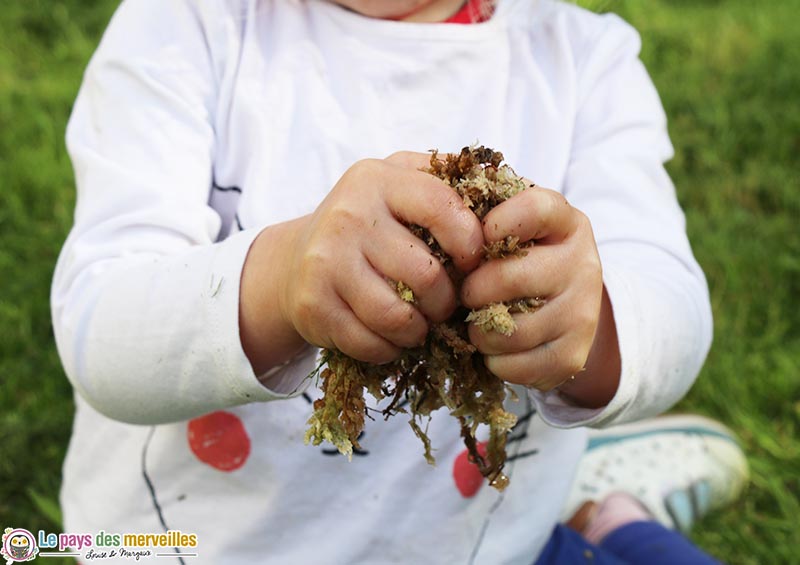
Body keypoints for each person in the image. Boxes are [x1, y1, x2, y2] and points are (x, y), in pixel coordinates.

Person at [51, 0, 745, 562]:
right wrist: (278, 274)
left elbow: (671, 304)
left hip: (492, 543)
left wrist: (591, 325)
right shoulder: (182, 25)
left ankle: (613, 516)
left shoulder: (583, 61)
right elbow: (97, 327)